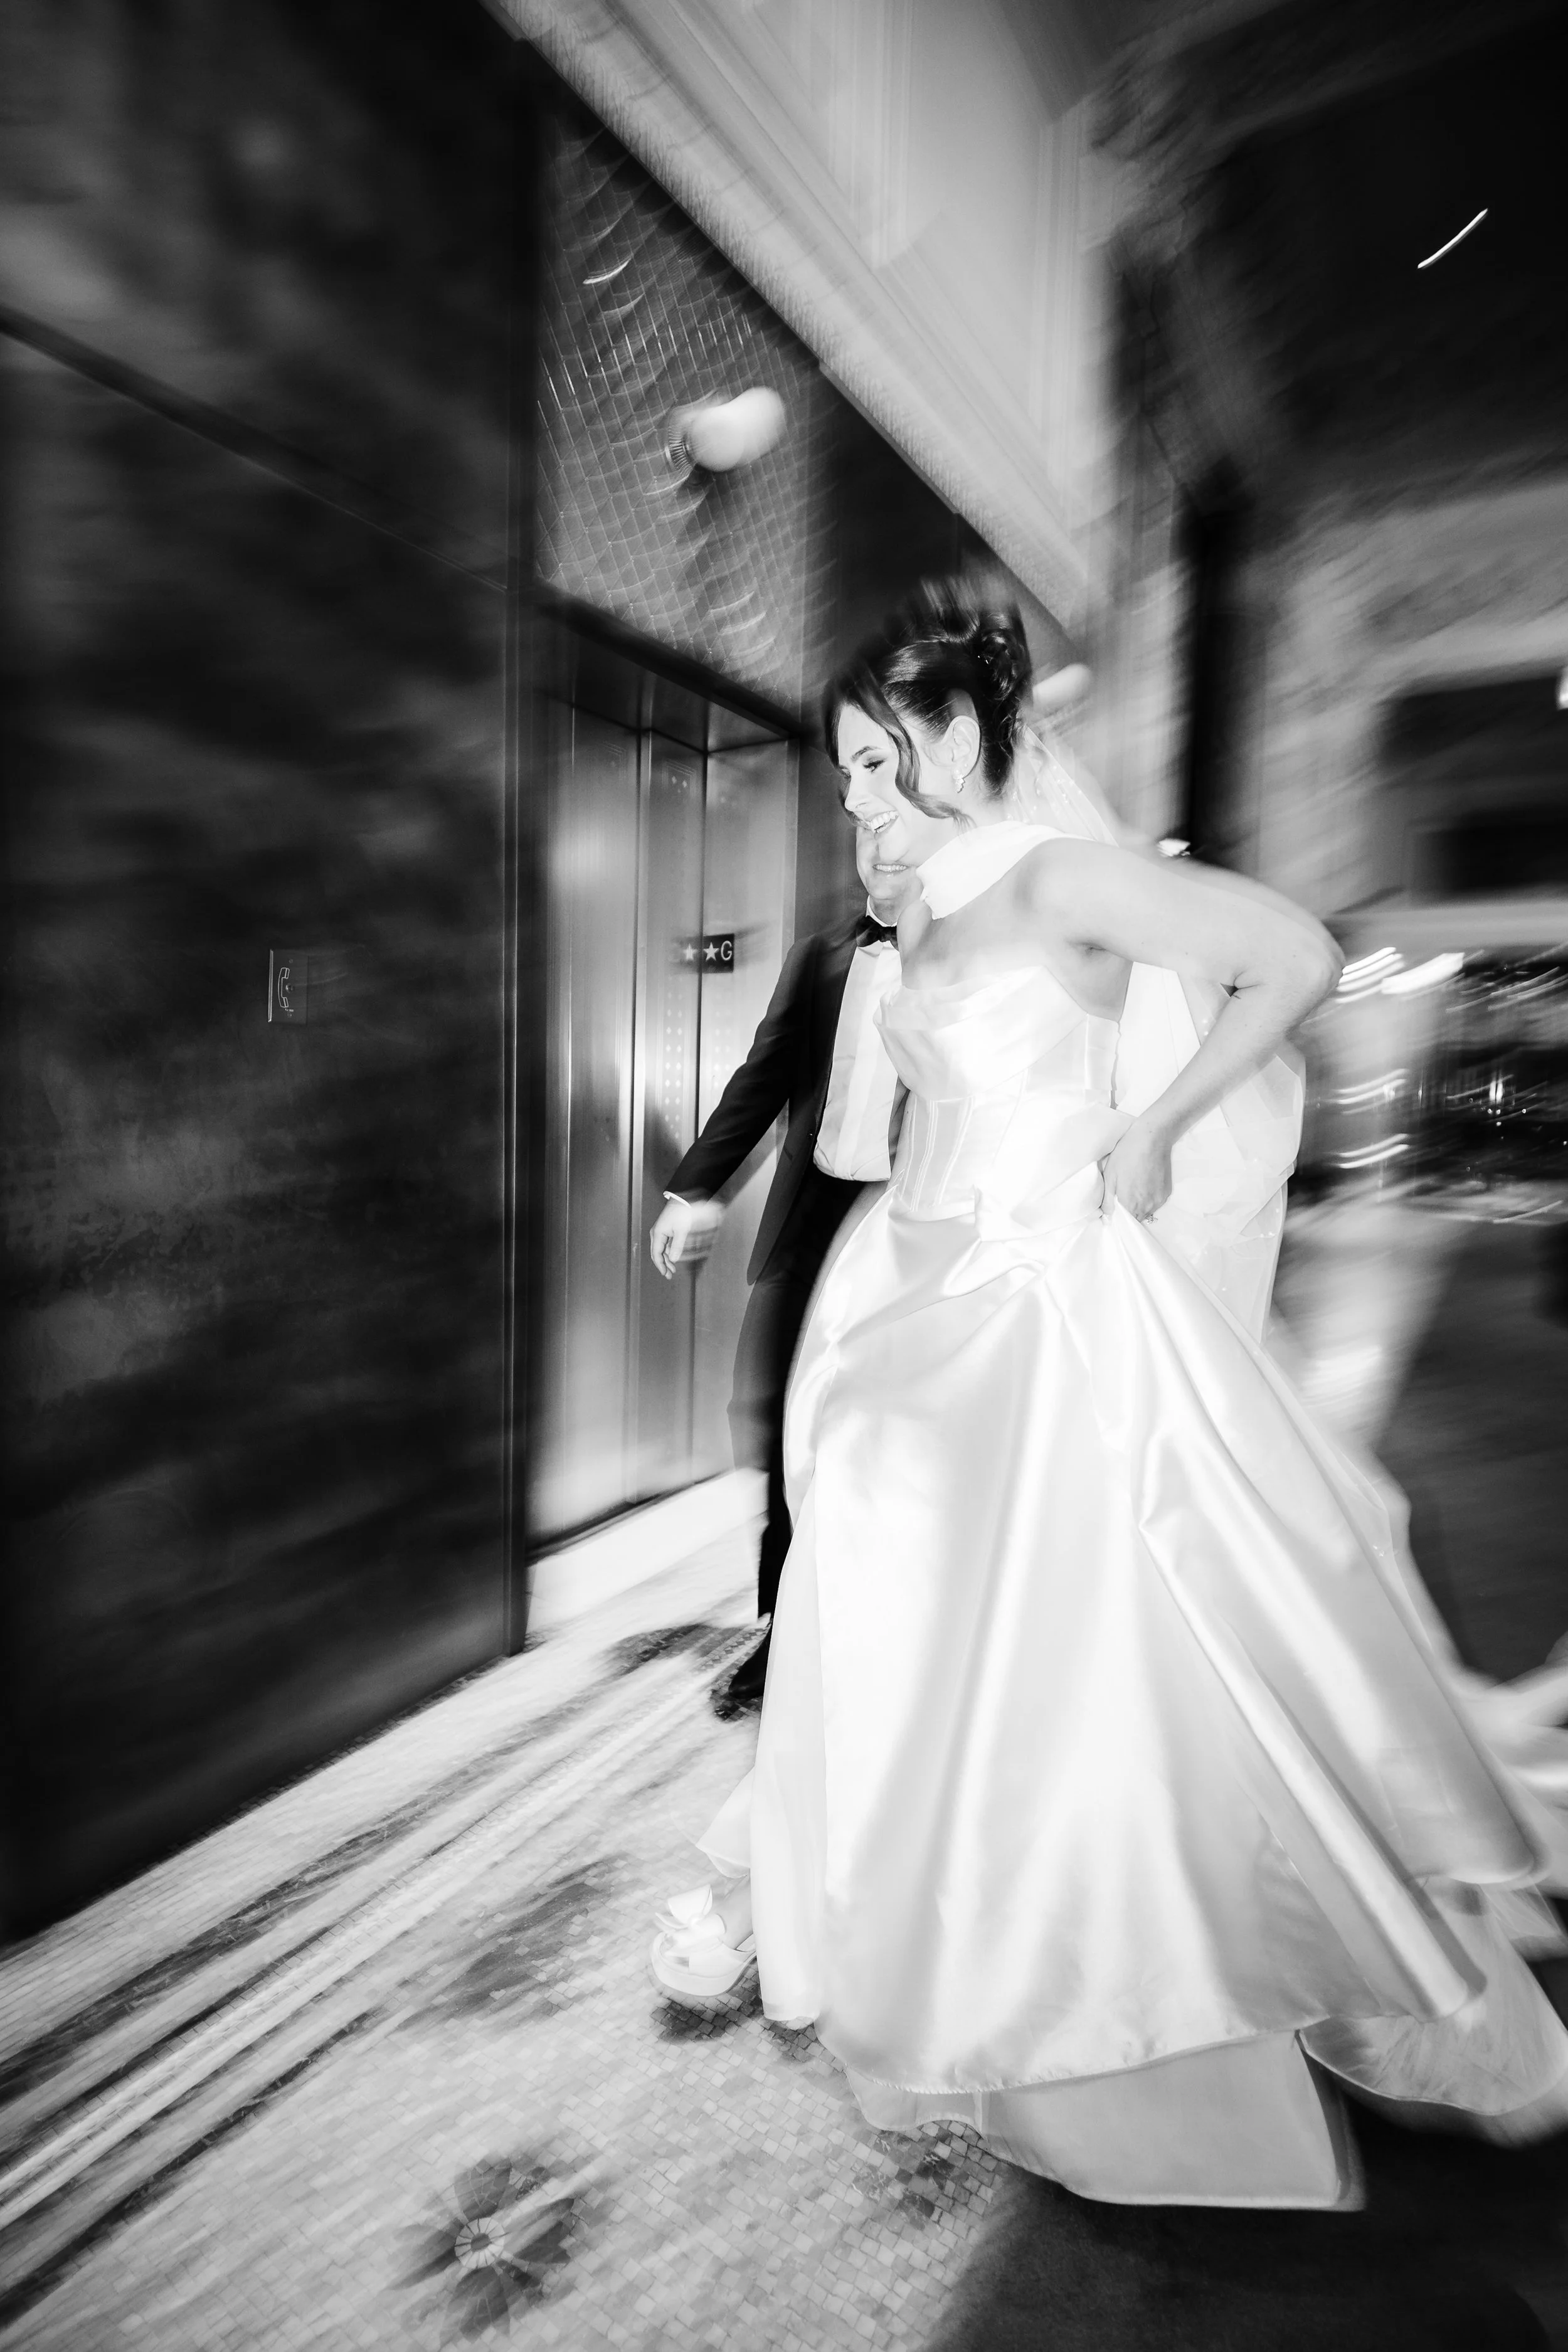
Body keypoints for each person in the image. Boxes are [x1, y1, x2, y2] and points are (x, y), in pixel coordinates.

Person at [647, 581, 1568, 2209]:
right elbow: (900, 1121)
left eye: (874, 760)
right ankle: (911, 1924)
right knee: (902, 1641)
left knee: (1097, 1654)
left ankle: (1148, 1968)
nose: (855, 794)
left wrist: (1151, 1128)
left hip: (1055, 1305)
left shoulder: (1064, 877)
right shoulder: (922, 907)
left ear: (950, 735)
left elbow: (1285, 956)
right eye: (846, 768)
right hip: (920, 1308)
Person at [650, 824, 921, 1712]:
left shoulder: (962, 954)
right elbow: (759, 1081)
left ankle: (893, 1637)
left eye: (896, 826)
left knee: (890, 1442)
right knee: (774, 1427)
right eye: (863, 829)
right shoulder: (822, 957)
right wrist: (694, 1189)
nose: (878, 846)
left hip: (916, 1232)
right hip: (812, 1227)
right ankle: (784, 1632)